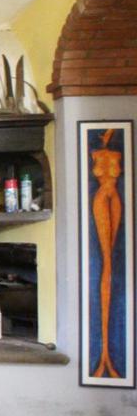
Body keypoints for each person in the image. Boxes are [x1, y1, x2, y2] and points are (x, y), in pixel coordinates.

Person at [91, 128, 123, 378]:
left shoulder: (115, 152)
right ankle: (104, 357)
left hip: (112, 197)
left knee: (111, 261)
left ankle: (106, 358)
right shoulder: (95, 152)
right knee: (106, 262)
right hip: (101, 197)